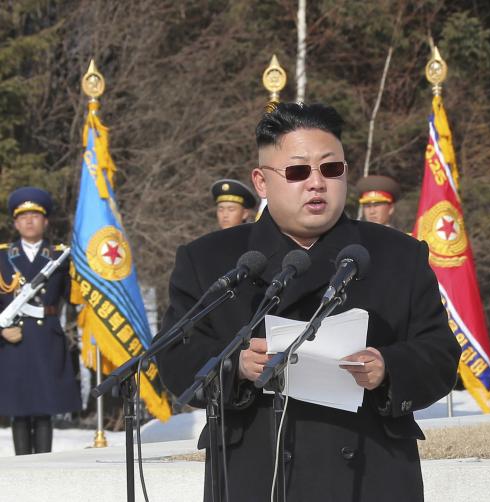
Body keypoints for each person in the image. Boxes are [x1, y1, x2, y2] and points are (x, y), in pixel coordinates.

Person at [158, 103, 460, 501]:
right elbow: (176, 355)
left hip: (370, 471)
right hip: (256, 471)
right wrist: (236, 365)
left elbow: (439, 352)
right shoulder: (211, 259)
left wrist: (388, 368)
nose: (317, 183)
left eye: (331, 169)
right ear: (261, 182)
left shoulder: (397, 255)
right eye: (298, 171)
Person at [0, 187, 81, 455]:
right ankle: (23, 471)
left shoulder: (61, 256)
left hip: (46, 338)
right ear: (15, 222)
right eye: (23, 216)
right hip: (13, 342)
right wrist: (1, 330)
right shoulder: (2, 257)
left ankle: (44, 469)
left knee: (45, 412)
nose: (29, 221)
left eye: (35, 215)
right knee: (19, 412)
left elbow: (76, 297)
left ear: (45, 221)